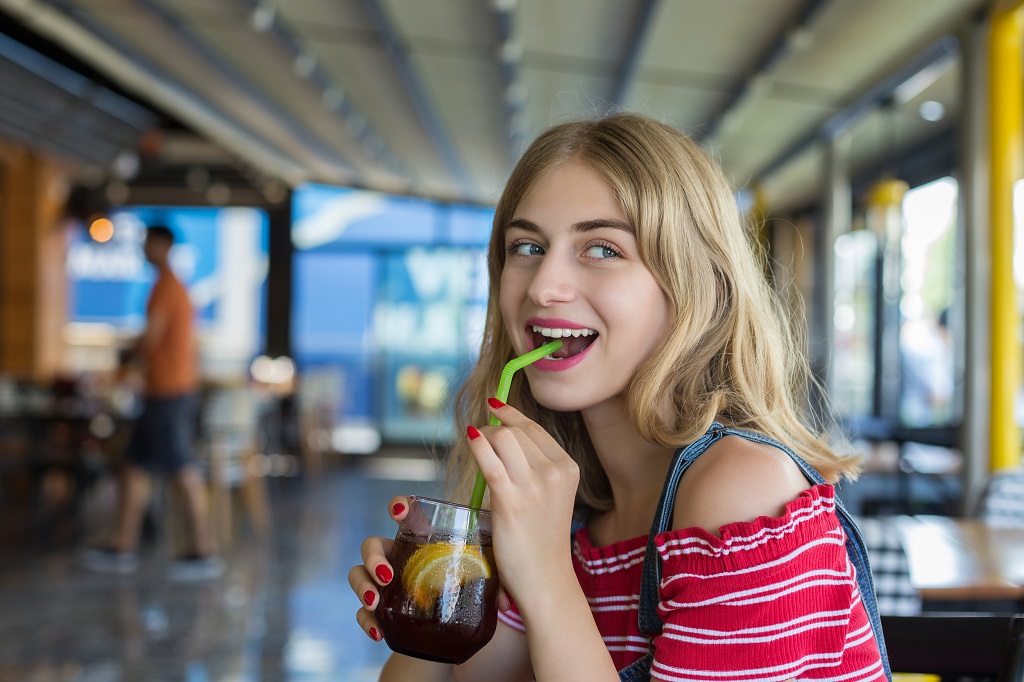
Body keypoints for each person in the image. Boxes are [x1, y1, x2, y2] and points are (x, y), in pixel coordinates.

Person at [349, 114, 889, 680]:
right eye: (527, 246)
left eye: (603, 249)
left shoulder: (743, 493)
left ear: (692, 284)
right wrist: (427, 610)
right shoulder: (573, 516)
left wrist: (546, 576)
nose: (542, 286)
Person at [83, 225, 223, 581]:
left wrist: (126, 359)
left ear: (163, 245)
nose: (145, 249)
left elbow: (153, 336)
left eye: (149, 243)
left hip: (169, 393)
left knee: (182, 468)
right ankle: (123, 544)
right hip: (162, 391)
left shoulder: (167, 287)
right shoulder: (172, 285)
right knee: (134, 465)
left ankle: (204, 550)